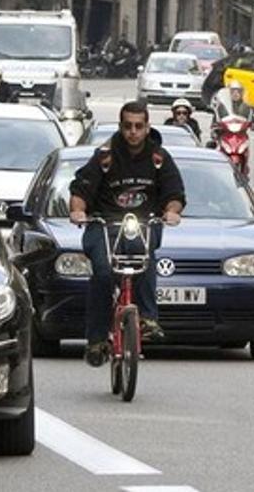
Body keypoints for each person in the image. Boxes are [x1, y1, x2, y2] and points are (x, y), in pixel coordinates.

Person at [69, 101, 185, 367]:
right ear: (121, 127)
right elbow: (81, 191)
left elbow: (174, 193)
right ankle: (97, 340)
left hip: (143, 225)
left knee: (144, 256)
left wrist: (172, 211)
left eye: (138, 126)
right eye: (128, 126)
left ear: (147, 128)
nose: (133, 132)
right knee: (103, 271)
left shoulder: (159, 159)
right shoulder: (104, 157)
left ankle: (147, 318)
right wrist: (78, 211)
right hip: (105, 226)